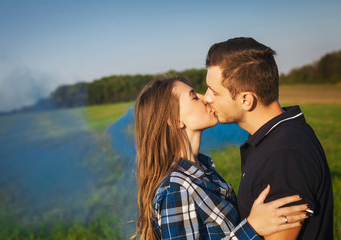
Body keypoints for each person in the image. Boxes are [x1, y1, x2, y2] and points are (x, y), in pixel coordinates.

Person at [132, 76, 309, 240]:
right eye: (194, 97)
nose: (206, 98)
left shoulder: (202, 170)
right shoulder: (177, 189)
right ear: (176, 120)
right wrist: (252, 227)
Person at [203, 37, 333, 240]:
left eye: (214, 92)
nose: (206, 97)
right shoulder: (276, 137)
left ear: (246, 100)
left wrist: (250, 228)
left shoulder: (283, 156)